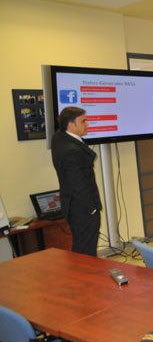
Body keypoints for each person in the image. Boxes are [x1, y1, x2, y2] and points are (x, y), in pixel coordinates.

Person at [51, 107, 102, 256]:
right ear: (71, 125)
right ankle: (86, 278)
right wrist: (91, 208)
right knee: (86, 250)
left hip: (74, 206)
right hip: (82, 209)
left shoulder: (60, 138)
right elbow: (77, 185)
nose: (87, 124)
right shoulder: (71, 150)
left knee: (82, 246)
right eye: (83, 121)